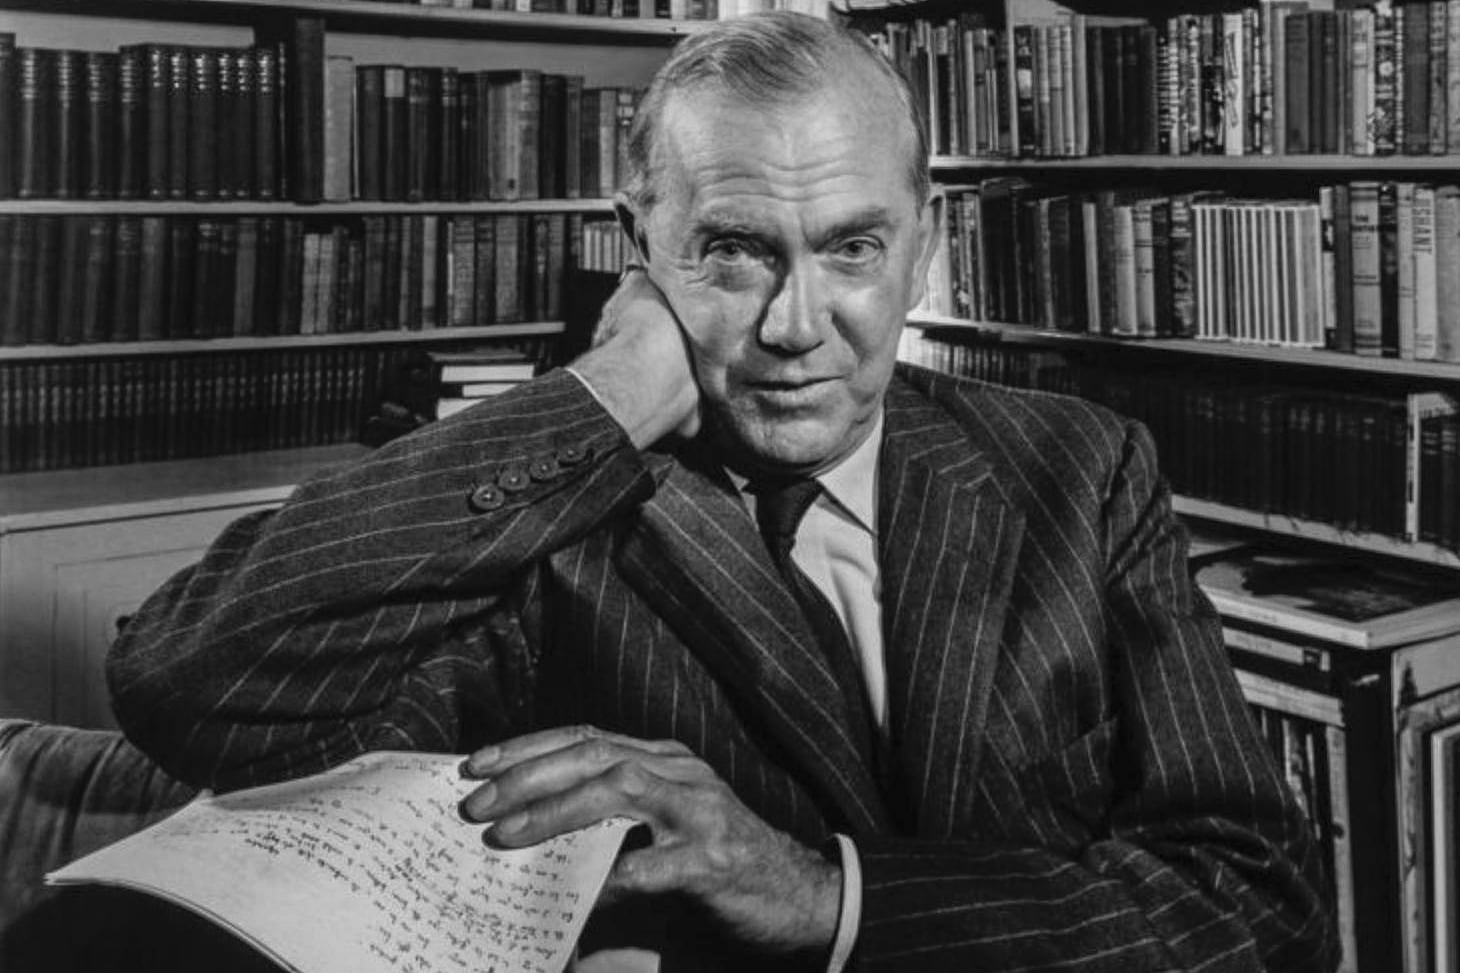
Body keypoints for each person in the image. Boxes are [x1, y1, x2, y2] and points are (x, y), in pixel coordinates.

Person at [108, 11, 1337, 972]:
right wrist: (605, 391)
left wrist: (824, 896)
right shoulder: (551, 534)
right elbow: (190, 682)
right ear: (639, 244)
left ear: (924, 244)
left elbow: (1261, 907)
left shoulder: (1082, 468)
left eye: (852, 248)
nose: (796, 325)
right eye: (734, 252)